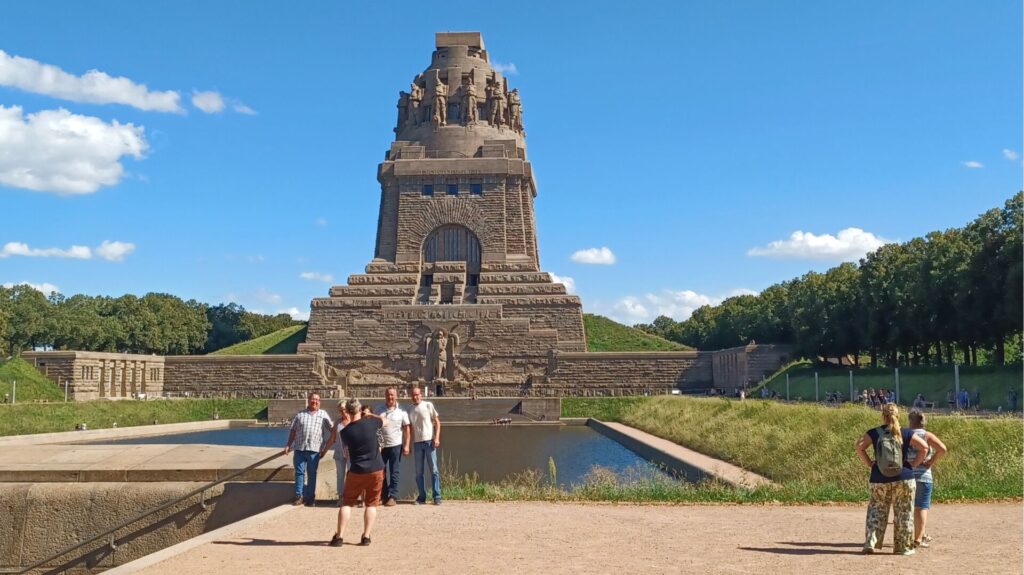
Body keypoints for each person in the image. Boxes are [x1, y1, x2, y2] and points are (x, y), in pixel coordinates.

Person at [855, 403, 928, 555]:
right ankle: (903, 547)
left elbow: (859, 447)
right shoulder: (906, 433)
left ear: (883, 416)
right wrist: (912, 464)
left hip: (879, 478)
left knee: (876, 510)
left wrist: (870, 463)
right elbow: (924, 447)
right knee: (904, 513)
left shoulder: (874, 433)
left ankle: (871, 542)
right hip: (904, 478)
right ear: (898, 415)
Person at [330, 398, 392, 547]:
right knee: (371, 504)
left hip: (357, 469)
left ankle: (339, 536)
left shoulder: (345, 432)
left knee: (347, 503)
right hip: (376, 468)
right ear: (360, 410)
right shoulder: (371, 422)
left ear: (348, 411)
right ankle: (366, 536)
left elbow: (346, 452)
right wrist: (370, 415)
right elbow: (386, 421)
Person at [907, 409, 948, 549]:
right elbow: (942, 448)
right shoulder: (926, 435)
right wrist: (931, 461)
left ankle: (914, 535)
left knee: (908, 508)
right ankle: (918, 538)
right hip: (924, 475)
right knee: (921, 507)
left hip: (907, 475)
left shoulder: (906, 434)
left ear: (910, 421)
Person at [284, 392, 333, 506]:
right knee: (299, 473)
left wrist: (326, 445)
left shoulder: (323, 414)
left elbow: (332, 429)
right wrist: (288, 444)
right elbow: (293, 430)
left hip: (314, 450)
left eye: (317, 400)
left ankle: (310, 497)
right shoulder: (300, 414)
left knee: (312, 474)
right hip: (300, 448)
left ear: (319, 402)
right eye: (312, 399)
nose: (314, 401)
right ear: (308, 400)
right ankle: (299, 496)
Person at [375, 387, 411, 506]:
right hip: (381, 446)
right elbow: (373, 426)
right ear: (385, 396)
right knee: (381, 471)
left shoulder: (402, 411)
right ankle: (383, 496)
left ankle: (393, 496)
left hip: (396, 445)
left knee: (394, 471)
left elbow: (406, 429)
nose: (390, 397)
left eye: (392, 395)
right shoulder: (378, 409)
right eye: (388, 395)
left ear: (396, 396)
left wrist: (406, 445)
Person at [408, 386, 442, 504]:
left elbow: (437, 422)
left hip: (429, 442)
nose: (415, 397)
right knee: (418, 473)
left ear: (421, 395)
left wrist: (436, 438)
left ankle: (437, 496)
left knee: (434, 470)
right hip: (417, 443)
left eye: (417, 394)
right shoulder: (409, 409)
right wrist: (408, 444)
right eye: (413, 395)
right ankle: (422, 497)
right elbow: (410, 429)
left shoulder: (428, 405)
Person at [322, 399, 351, 507]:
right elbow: (332, 439)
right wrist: (324, 451)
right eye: (340, 410)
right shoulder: (338, 422)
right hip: (339, 453)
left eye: (344, 409)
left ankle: (350, 497)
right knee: (340, 475)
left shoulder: (354, 420)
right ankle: (340, 497)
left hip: (352, 454)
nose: (342, 412)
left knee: (352, 475)